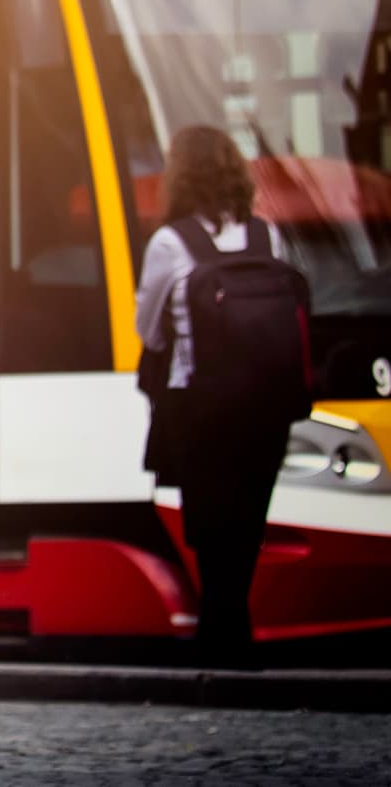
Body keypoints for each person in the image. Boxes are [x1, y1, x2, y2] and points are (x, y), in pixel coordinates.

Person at [135, 124, 295, 666]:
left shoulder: (170, 242)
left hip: (199, 404)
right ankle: (235, 626)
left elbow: (150, 332)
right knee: (248, 519)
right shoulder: (266, 236)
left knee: (209, 520)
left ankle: (219, 631)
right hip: (266, 406)